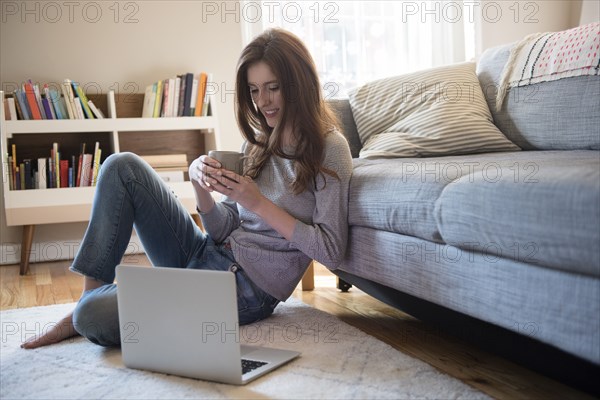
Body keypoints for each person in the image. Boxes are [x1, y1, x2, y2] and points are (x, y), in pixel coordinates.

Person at [22, 28, 352, 349]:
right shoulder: (259, 143)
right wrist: (201, 186)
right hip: (205, 253)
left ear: (300, 84)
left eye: (273, 87)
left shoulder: (330, 148)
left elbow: (331, 251)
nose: (262, 102)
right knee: (121, 166)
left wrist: (259, 203)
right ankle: (91, 295)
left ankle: (91, 307)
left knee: (93, 316)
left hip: (243, 289)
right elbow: (223, 231)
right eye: (253, 90)